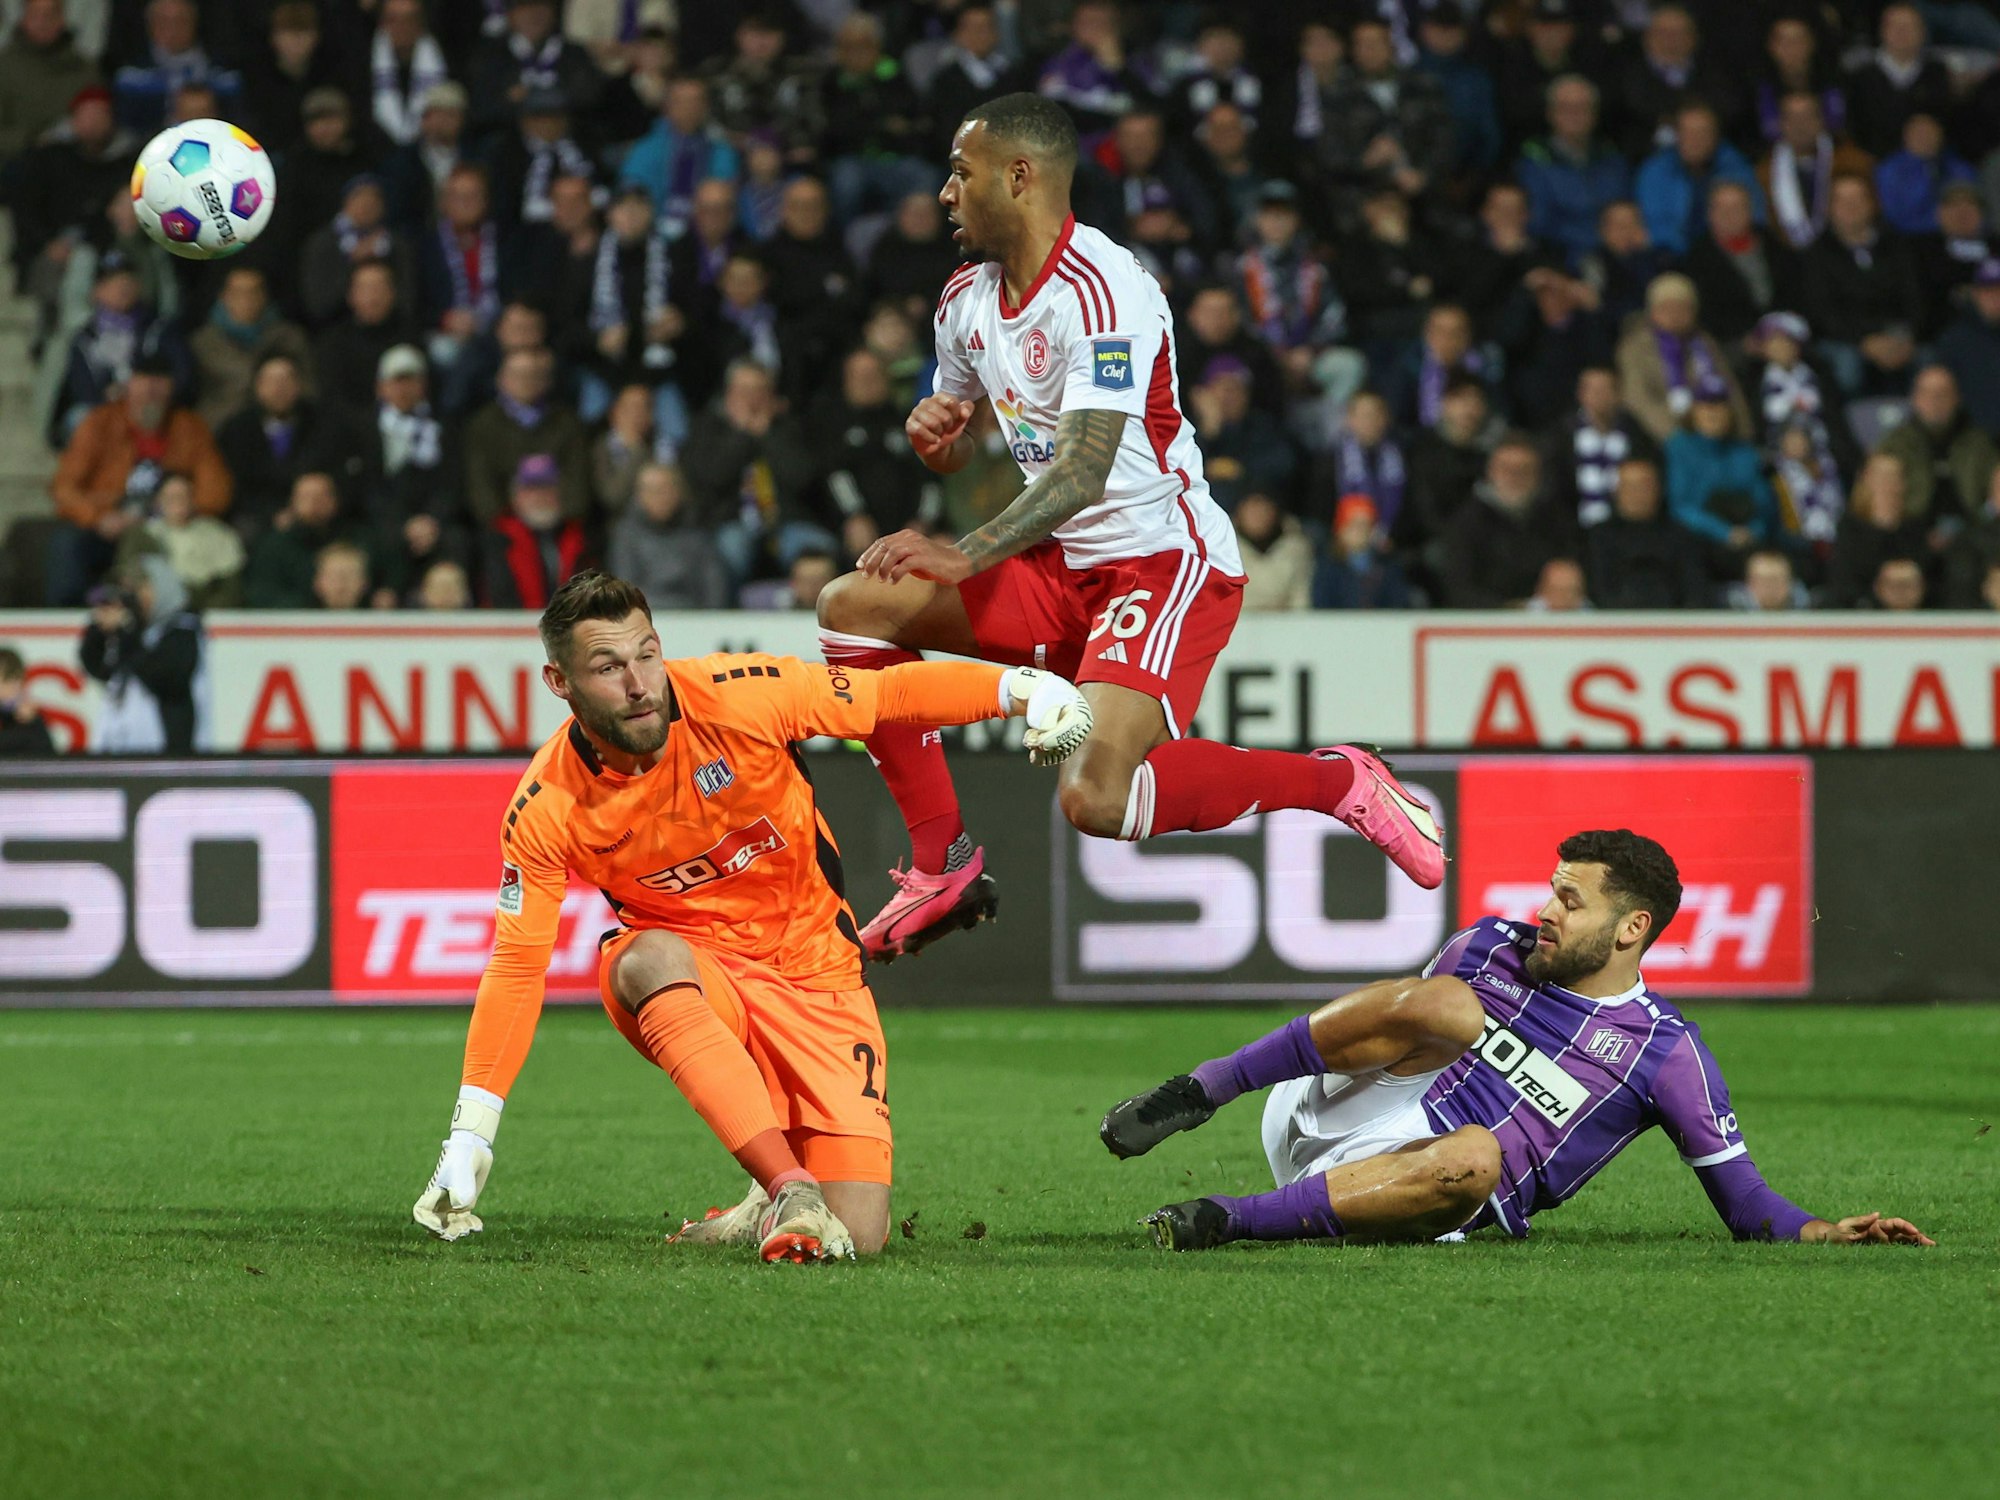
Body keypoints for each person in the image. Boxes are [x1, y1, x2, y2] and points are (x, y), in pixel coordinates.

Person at [813, 94, 1444, 964]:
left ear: (1019, 176)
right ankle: (943, 863)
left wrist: (962, 552)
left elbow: (1082, 469)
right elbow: (969, 443)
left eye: (962, 173)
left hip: (1158, 562)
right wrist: (942, 441)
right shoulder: (963, 300)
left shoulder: (1109, 291)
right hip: (1054, 564)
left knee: (1096, 802)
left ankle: (1338, 781)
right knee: (853, 606)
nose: (946, 194)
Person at [409, 570, 1096, 1259]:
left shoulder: (741, 694)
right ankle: (786, 1185)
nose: (639, 682)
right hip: (699, 977)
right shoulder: (548, 803)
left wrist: (1022, 691)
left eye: (647, 653)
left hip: (816, 971)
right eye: (608, 667)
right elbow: (518, 964)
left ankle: (754, 1210)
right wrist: (470, 1132)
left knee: (859, 1235)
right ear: (560, 683)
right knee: (644, 957)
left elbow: (889, 697)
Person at [1103, 830, 1934, 1252]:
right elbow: (1393, 1023)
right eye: (1552, 889)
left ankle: (1224, 1220)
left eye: (1571, 900)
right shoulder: (1492, 947)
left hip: (1411, 1185)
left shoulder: (1666, 1052)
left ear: (1630, 928)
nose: (1546, 909)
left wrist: (1826, 1232)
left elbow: (1746, 1204)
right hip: (1334, 1103)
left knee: (1477, 1157)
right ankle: (1199, 1090)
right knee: (1451, 1006)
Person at [48, 352, 231, 607]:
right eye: (143, 380)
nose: (151, 389)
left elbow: (216, 492)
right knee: (67, 543)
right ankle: (69, 620)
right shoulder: (100, 423)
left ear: (171, 387)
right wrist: (98, 517)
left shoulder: (189, 428)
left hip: (166, 532)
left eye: (159, 381)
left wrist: (178, 511)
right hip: (110, 526)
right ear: (129, 385)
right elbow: (64, 488)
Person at [79, 555, 207, 754]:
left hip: (165, 753)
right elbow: (101, 670)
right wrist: (98, 631)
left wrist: (127, 633)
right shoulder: (140, 631)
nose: (139, 598)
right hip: (122, 745)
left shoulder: (184, 629)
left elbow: (166, 679)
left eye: (142, 588)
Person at [1585, 457, 1709, 608]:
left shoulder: (1681, 536)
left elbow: (1695, 590)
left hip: (1672, 625)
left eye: (1643, 486)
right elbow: (1598, 591)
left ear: (1658, 489)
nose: (1636, 494)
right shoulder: (1597, 538)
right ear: (1616, 491)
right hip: (1614, 625)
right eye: (1630, 486)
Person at [0, 647, 58, 757]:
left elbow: (47, 754)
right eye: (8, 680)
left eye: (16, 680)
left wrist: (33, 722)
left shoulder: (29, 717)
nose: (14, 686)